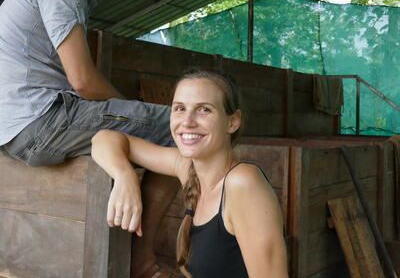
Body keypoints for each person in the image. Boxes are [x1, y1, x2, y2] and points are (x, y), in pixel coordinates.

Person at [0, 0, 179, 278]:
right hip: (39, 120)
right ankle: (142, 261)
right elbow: (82, 79)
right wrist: (132, 107)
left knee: (150, 125)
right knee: (177, 127)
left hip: (25, 121)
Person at [92, 69, 288, 278]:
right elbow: (104, 139)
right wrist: (125, 177)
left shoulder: (243, 183)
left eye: (204, 109)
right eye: (180, 109)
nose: (187, 121)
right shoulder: (187, 168)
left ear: (232, 121)